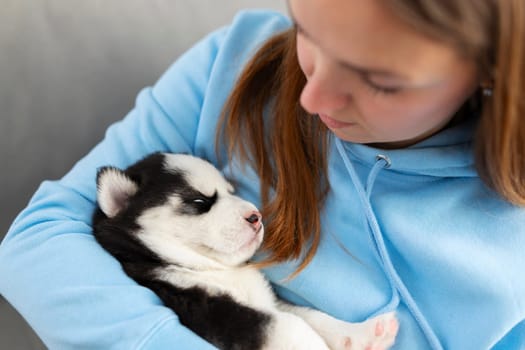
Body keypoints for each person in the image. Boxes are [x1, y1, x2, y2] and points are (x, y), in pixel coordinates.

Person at [1, 0, 524, 348]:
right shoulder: (232, 63)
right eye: (309, 30)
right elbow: (37, 241)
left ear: (491, 69)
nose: (309, 97)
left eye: (378, 80)